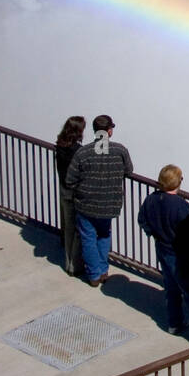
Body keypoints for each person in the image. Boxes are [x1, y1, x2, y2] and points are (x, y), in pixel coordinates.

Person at [64, 114, 133, 286]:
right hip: (109, 204)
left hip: (86, 204)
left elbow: (70, 179)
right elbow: (129, 171)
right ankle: (103, 271)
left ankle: (94, 275)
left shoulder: (83, 152)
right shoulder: (120, 150)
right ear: (109, 131)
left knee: (88, 238)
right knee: (104, 236)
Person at [137, 165, 189, 335]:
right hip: (181, 255)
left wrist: (153, 233)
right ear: (177, 182)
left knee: (171, 287)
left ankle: (174, 322)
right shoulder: (180, 205)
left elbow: (142, 220)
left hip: (162, 249)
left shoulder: (151, 199)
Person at [55, 115, 86, 277]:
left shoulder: (60, 146)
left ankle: (68, 262)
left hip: (64, 190)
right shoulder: (78, 151)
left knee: (68, 228)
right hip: (75, 193)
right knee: (78, 230)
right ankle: (74, 265)